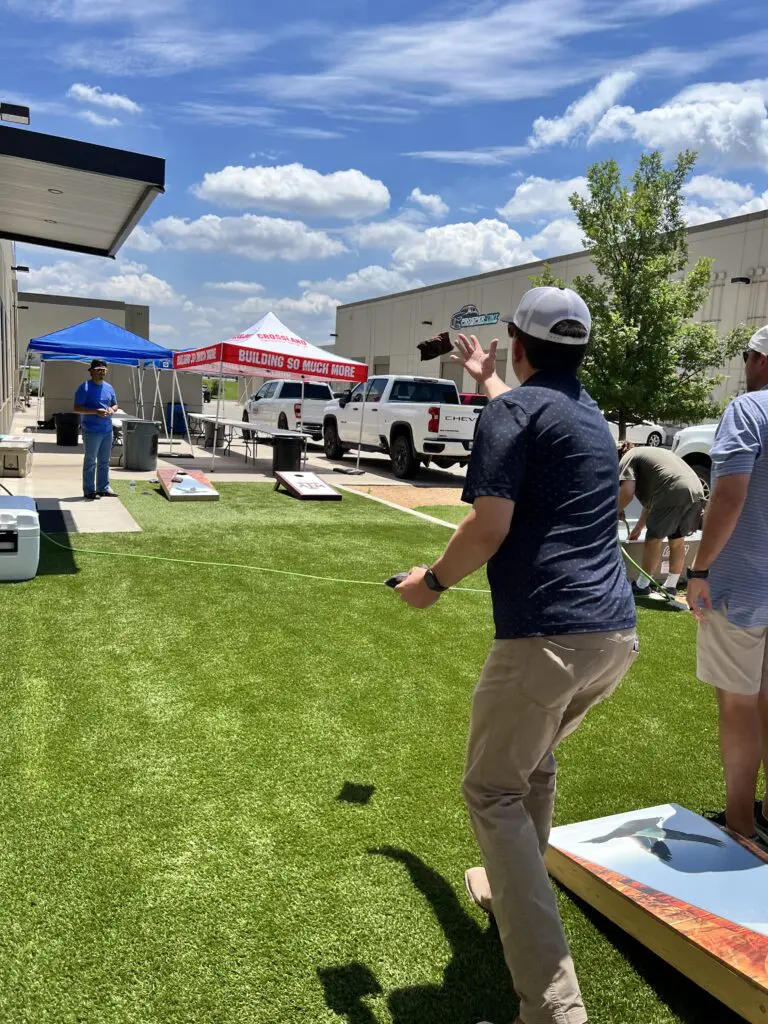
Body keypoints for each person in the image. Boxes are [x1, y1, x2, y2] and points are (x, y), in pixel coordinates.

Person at [395, 286, 638, 1024]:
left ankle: (555, 1007)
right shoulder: (588, 416)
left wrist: (430, 583)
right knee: (531, 767)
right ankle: (506, 895)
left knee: (492, 791)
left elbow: (489, 525)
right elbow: (533, 413)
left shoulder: (513, 412)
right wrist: (486, 378)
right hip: (612, 637)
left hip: (548, 638)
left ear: (518, 340)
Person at [687, 324, 768, 843]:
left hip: (742, 587)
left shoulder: (748, 409)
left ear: (756, 359)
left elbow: (730, 495)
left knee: (738, 703)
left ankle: (741, 823)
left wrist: (698, 570)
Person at [617, 443, 706, 596]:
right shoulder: (649, 454)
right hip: (696, 490)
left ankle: (642, 585)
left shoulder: (628, 457)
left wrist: (612, 512)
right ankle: (671, 585)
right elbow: (651, 503)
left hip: (673, 490)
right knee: (677, 539)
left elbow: (626, 492)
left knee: (653, 540)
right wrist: (638, 528)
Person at [74, 358, 118, 500]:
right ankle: (89, 490)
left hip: (107, 430)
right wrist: (95, 411)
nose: (101, 373)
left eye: (104, 370)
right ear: (91, 371)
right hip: (92, 430)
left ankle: (103, 488)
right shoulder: (84, 387)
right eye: (98, 370)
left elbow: (115, 404)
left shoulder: (109, 387)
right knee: (91, 461)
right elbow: (77, 408)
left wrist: (111, 409)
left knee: (105, 461)